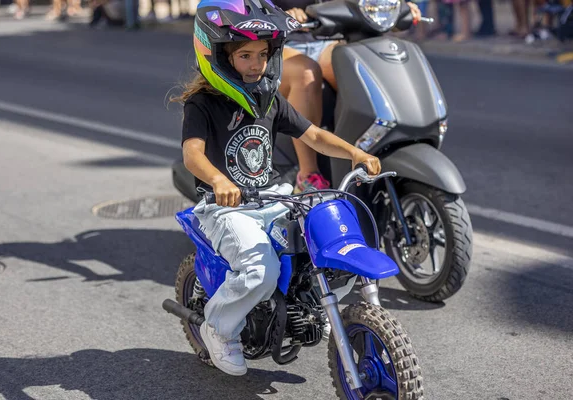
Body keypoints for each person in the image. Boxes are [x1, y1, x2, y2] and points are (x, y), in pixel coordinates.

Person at [175, 0, 381, 376]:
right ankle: (219, 329)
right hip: (224, 208)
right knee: (259, 270)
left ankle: (301, 307)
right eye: (245, 56)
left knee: (325, 234)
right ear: (220, 56)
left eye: (263, 55)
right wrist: (220, 180)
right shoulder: (202, 104)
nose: (256, 64)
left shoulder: (269, 100)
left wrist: (355, 153)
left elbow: (314, 134)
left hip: (270, 198)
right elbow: (192, 155)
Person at [273, 0, 421, 192]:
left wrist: (395, 7)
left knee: (361, 64)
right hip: (281, 43)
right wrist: (278, 14)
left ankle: (370, 146)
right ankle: (308, 175)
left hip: (329, 40)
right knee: (306, 74)